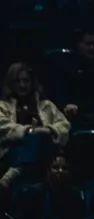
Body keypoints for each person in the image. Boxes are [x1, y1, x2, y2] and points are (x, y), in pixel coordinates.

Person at [0, 63, 70, 192]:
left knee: (40, 137)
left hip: (46, 155)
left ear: (32, 82)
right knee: (35, 137)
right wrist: (28, 131)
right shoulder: (3, 106)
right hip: (12, 152)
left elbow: (64, 126)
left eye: (26, 81)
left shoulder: (46, 105)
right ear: (11, 83)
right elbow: (2, 126)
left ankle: (14, 172)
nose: (22, 85)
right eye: (18, 81)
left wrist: (48, 130)